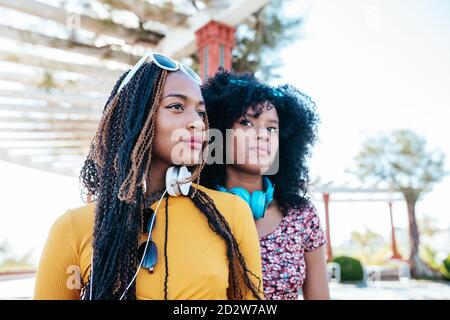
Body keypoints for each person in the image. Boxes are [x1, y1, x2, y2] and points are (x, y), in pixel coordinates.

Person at [34, 54, 264, 300]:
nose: (197, 122)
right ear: (137, 116)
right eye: (176, 106)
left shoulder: (231, 213)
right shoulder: (72, 228)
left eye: (200, 111)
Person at [200, 69, 329, 300]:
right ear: (218, 131)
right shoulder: (194, 209)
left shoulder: (302, 215)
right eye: (246, 122)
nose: (263, 135)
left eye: (272, 128)